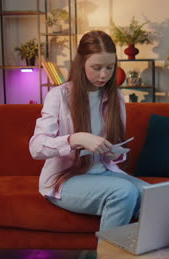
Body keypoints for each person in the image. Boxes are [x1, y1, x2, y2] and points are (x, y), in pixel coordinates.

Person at [29, 30, 149, 231]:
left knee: (152, 195)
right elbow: (36, 148)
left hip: (103, 173)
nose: (104, 75)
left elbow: (113, 153)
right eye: (96, 67)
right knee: (124, 192)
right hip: (65, 179)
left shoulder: (116, 97)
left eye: (110, 67)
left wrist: (110, 152)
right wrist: (76, 139)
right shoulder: (59, 95)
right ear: (81, 64)